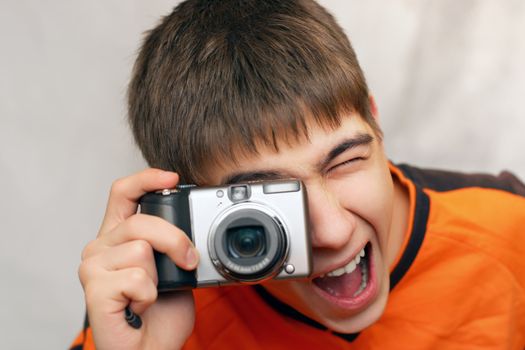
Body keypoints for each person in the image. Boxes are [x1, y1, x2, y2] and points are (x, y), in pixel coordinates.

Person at [70, 0, 525, 349]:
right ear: (191, 206)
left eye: (345, 162)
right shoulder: (147, 311)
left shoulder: (508, 227)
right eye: (266, 200)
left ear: (373, 119)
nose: (333, 231)